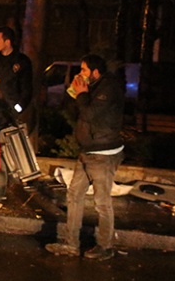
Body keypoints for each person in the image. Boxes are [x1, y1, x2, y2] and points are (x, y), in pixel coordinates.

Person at [45, 54, 125, 261]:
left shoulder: (109, 88)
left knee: (102, 202)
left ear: (95, 72)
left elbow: (90, 114)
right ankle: (71, 243)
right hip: (88, 150)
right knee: (74, 194)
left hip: (103, 153)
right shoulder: (93, 87)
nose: (80, 74)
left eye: (84, 70)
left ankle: (106, 246)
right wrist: (75, 95)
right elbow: (80, 113)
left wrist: (81, 94)